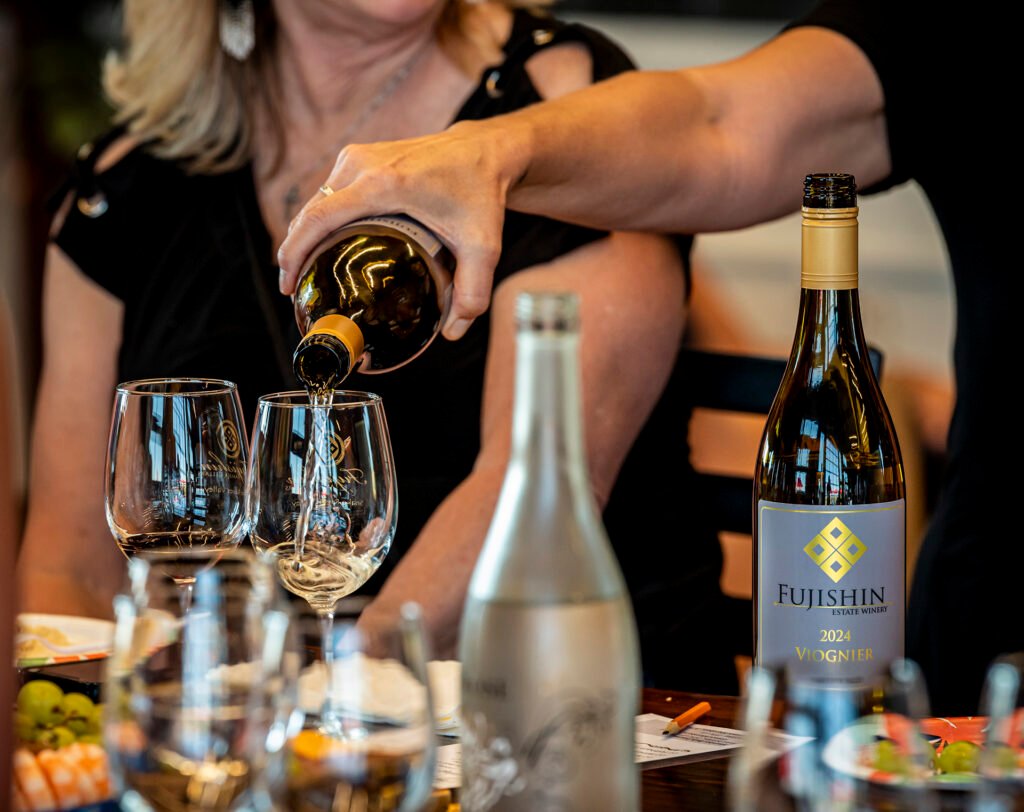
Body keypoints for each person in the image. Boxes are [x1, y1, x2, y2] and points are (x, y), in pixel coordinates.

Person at [277, 1, 1015, 714]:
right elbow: (721, 125)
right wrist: (488, 151)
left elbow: (538, 479)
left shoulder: (559, 67)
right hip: (995, 652)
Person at [17, 0, 739, 692]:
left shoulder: (565, 114)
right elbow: (71, 571)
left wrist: (320, 717)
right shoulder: (128, 188)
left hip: (600, 724)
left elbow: (527, 491)